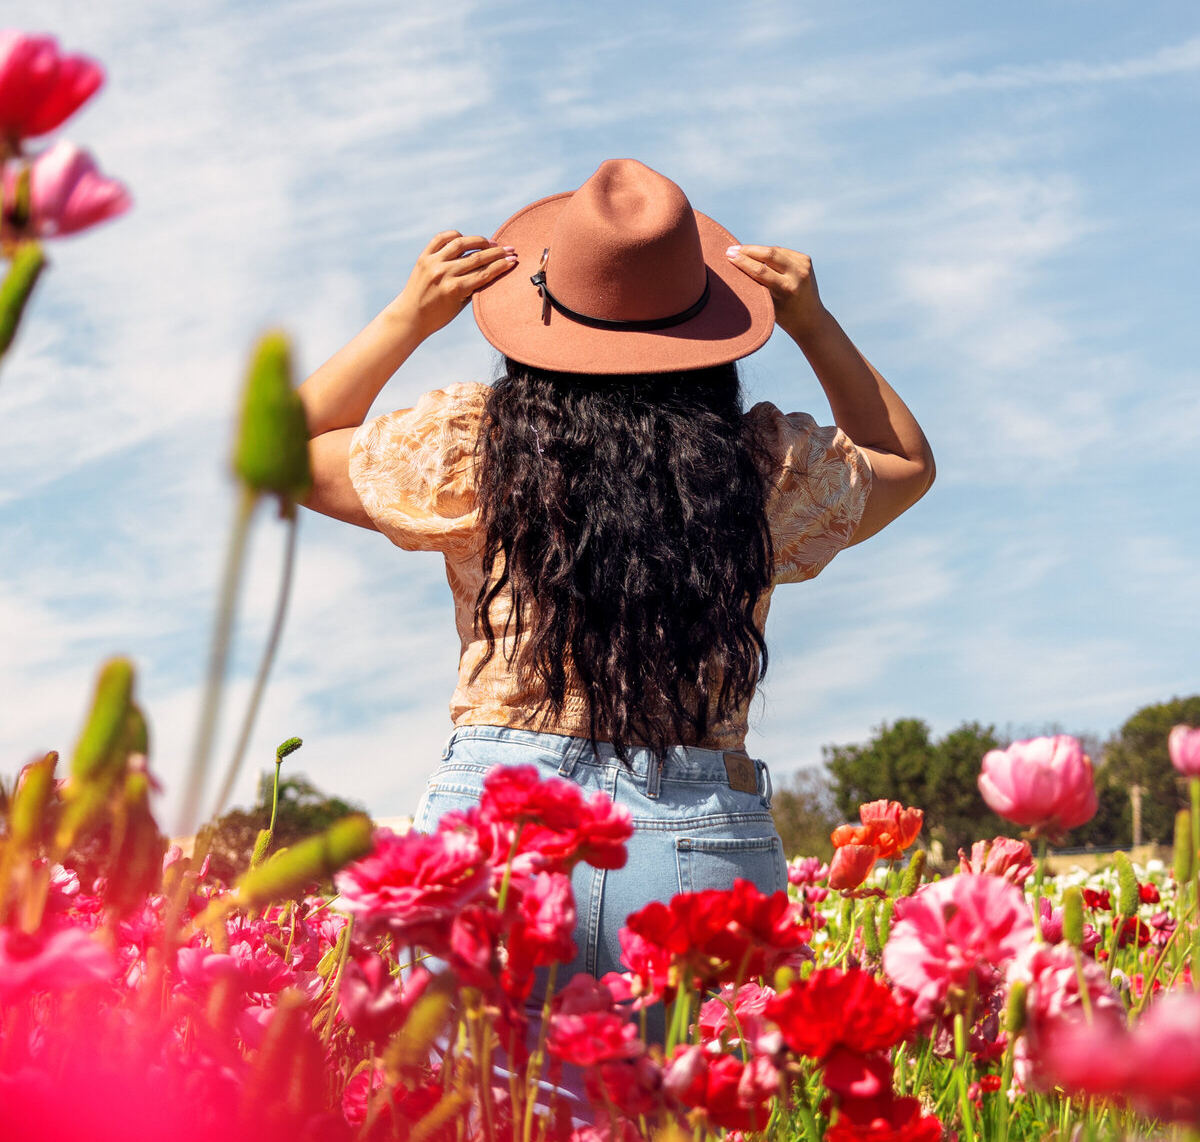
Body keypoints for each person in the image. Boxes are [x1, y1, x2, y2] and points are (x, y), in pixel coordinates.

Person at [298, 158, 934, 998]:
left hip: (499, 828)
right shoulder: (763, 472)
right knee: (684, 1128)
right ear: (712, 337)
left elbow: (283, 450)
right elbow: (904, 461)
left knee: (489, 1125)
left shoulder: (478, 454)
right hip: (700, 838)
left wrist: (405, 317)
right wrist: (814, 324)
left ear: (539, 323)